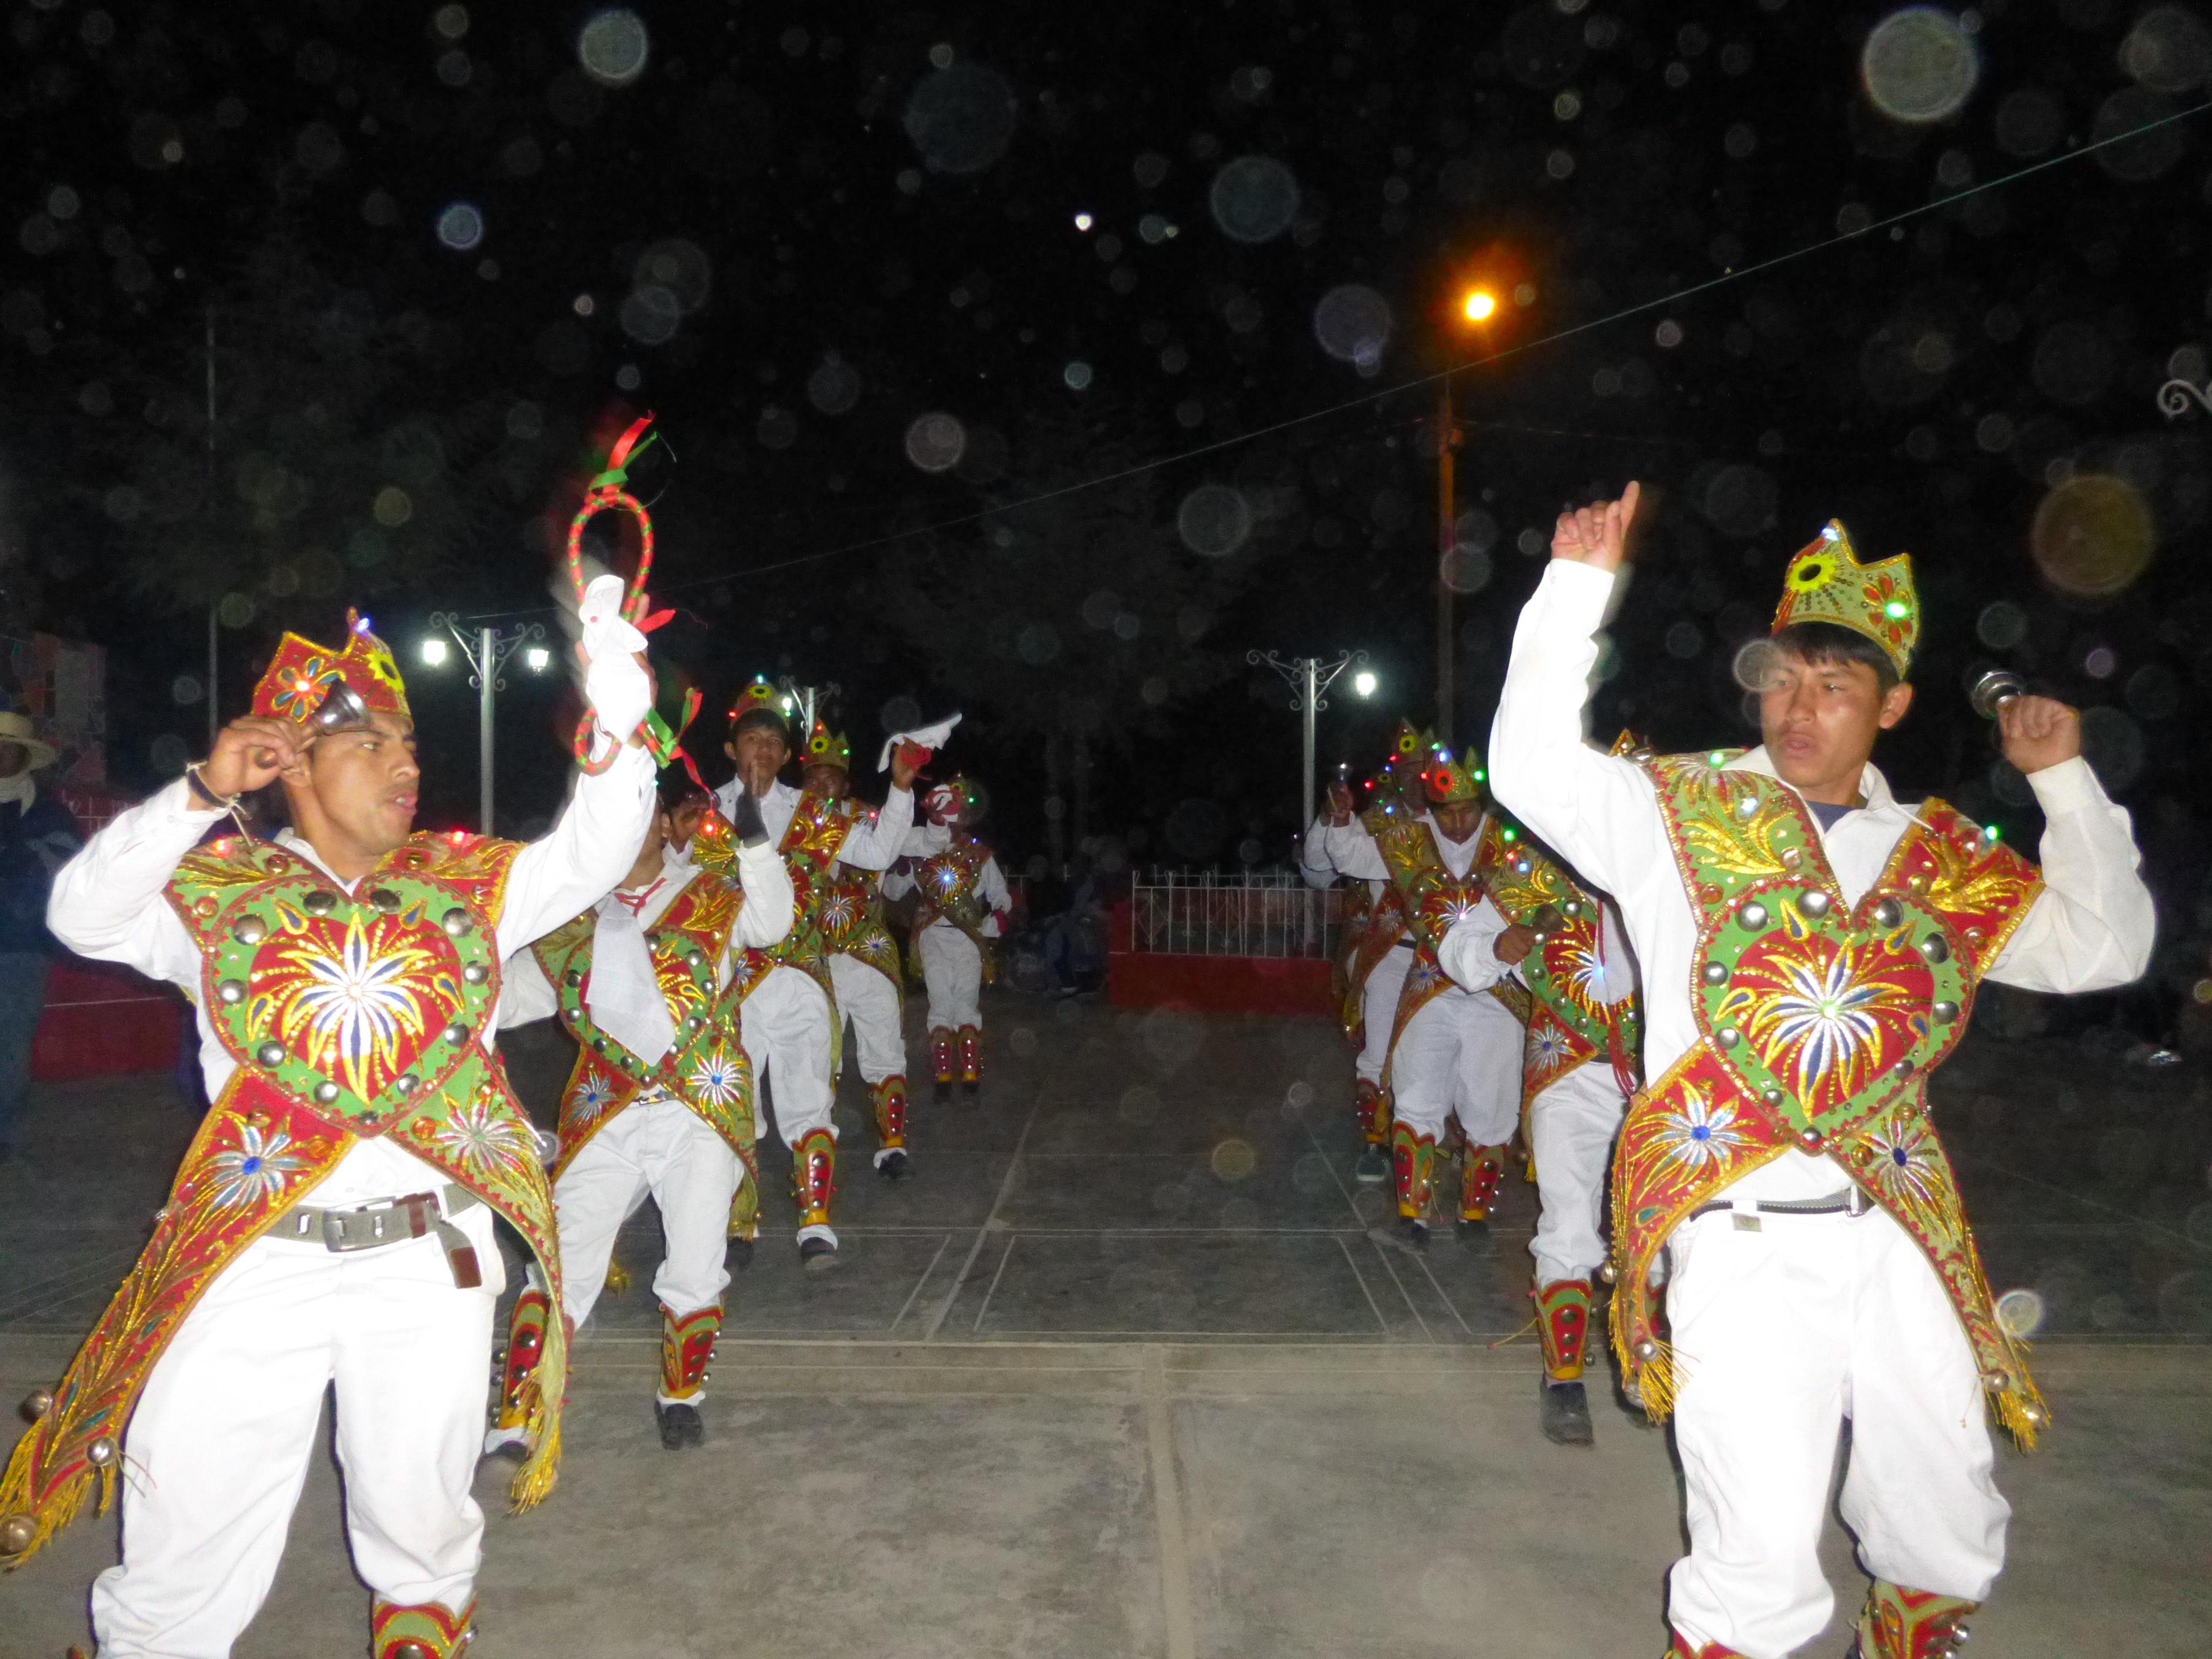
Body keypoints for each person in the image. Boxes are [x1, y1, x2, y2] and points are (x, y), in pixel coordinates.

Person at [1491, 485, 2154, 1658]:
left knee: (1944, 1509)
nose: (1801, 706)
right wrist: (1575, 590)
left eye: (1835, 684)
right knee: (1753, 1553)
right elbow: (1530, 767)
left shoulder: (1938, 859)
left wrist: (2063, 783)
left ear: (1891, 701)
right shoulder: (1677, 809)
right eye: (1784, 675)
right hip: (1736, 1234)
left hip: (1899, 1228)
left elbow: (2110, 945)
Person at [0, 591, 656, 1659]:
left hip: (430, 1256)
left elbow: (593, 848)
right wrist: (200, 793)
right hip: (252, 1254)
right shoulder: (216, 894)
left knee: (422, 1519)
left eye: (409, 744)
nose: (406, 765)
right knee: (184, 1516)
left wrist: (620, 723)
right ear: (288, 763)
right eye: (370, 743)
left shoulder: (471, 889)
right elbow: (81, 913)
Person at [488, 779, 791, 1455]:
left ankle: (681, 1396)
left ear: (662, 825)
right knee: (560, 1263)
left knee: (695, 1267)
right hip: (606, 1115)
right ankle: (519, 1410)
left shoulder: (711, 897)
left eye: (639, 815)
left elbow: (773, 925)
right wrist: (465, 958)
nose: (625, 830)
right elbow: (508, 1004)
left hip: (698, 1114)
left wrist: (757, 846)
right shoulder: (568, 922)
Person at [711, 682, 922, 1268]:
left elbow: (879, 855)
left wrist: (900, 788)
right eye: (752, 739)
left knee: (810, 1107)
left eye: (775, 742)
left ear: (786, 756)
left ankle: (816, 1222)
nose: (763, 749)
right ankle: (737, 1225)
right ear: (732, 750)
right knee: (735, 1108)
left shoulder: (814, 814)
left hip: (805, 979)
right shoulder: (706, 815)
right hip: (734, 987)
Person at [1445, 821, 1640, 1447]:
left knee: (1667, 1228)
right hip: (1568, 1071)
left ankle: (1650, 1364)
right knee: (1568, 1221)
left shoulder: (1668, 867)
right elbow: (1462, 949)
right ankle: (1563, 1382)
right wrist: (1499, 947)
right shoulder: (1531, 875)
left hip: (1665, 1074)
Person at [1313, 746, 1527, 1249]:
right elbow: (1354, 857)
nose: (1457, 822)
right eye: (1446, 812)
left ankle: (1475, 1214)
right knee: (1416, 1093)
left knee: (1490, 1101)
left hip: (1498, 993)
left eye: (1467, 811)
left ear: (1483, 807)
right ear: (1430, 809)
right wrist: (1340, 823)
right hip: (1428, 983)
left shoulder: (1513, 848)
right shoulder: (1409, 842)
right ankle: (1413, 1215)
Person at [1302, 720, 1431, 1183]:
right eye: (1410, 770)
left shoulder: (1465, 823)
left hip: (1450, 961)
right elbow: (1319, 875)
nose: (1419, 779)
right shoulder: (1376, 823)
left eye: (1427, 770)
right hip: (1389, 952)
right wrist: (1330, 820)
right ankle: (1374, 1143)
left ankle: (1434, 1138)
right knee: (1378, 1050)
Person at [798, 722, 916, 1178]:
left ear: (846, 782)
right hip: (816, 960)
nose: (821, 785)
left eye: (831, 777)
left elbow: (895, 844)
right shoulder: (794, 827)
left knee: (885, 1051)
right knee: (816, 1058)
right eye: (812, 777)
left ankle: (893, 1148)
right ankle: (816, 1151)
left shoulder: (871, 820)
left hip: (871, 956)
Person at [883, 776, 1011, 1102]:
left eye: (957, 816)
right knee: (940, 1004)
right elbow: (893, 892)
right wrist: (899, 868)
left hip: (968, 937)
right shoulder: (919, 853)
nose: (953, 823)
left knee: (966, 1003)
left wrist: (993, 922)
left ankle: (970, 1076)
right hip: (931, 938)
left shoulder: (980, 855)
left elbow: (1001, 897)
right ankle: (942, 1078)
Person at [0, 710, 80, 1161]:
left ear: (24, 756)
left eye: (7, 747)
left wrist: (27, 856)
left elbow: (74, 872)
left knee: (10, 1044)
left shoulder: (48, 812)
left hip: (20, 946)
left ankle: (3, 1132)